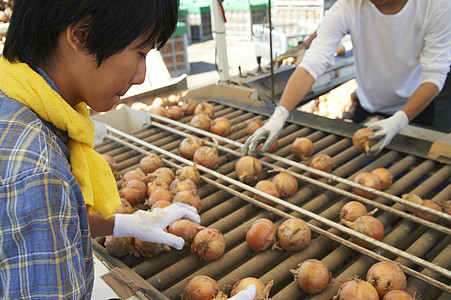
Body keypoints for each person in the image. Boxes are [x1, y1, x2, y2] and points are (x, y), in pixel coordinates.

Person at [241, 0, 451, 156]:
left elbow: (435, 74)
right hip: (367, 107)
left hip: (414, 111)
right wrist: (279, 115)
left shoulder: (436, 6)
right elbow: (312, 63)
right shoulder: (349, 5)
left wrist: (398, 121)